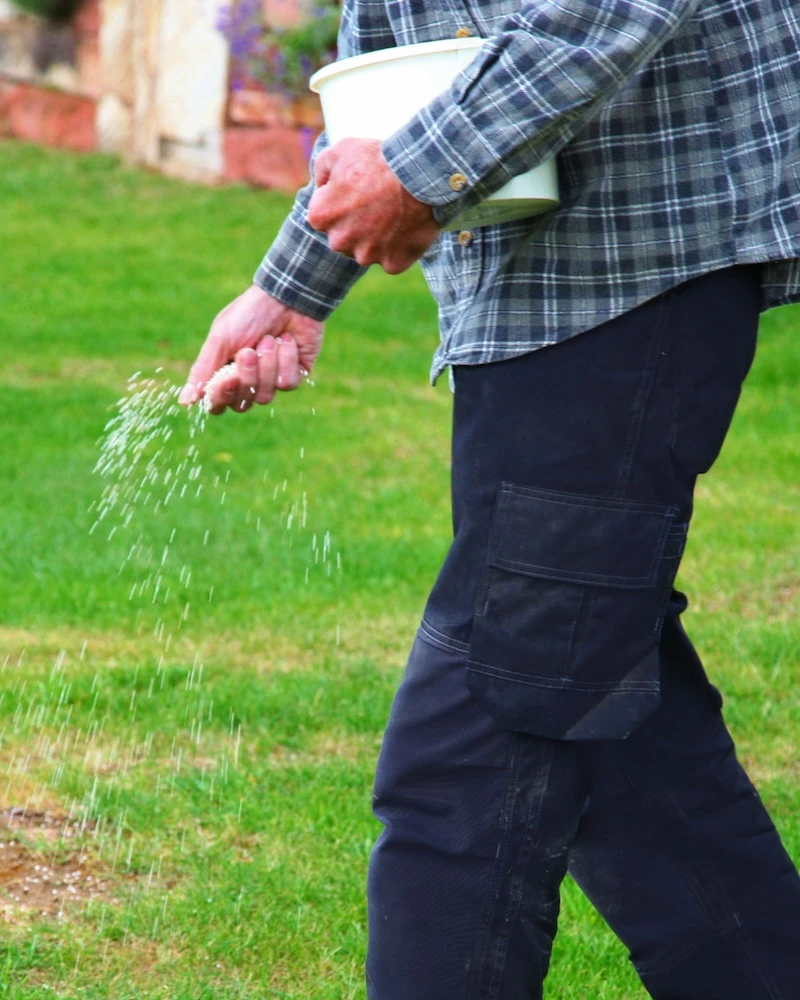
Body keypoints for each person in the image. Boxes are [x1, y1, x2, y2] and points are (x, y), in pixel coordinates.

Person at [180, 0, 800, 995]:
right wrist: (295, 282)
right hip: (519, 294)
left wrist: (421, 176)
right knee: (602, 710)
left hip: (632, 264)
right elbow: (389, 52)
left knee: (474, 738)